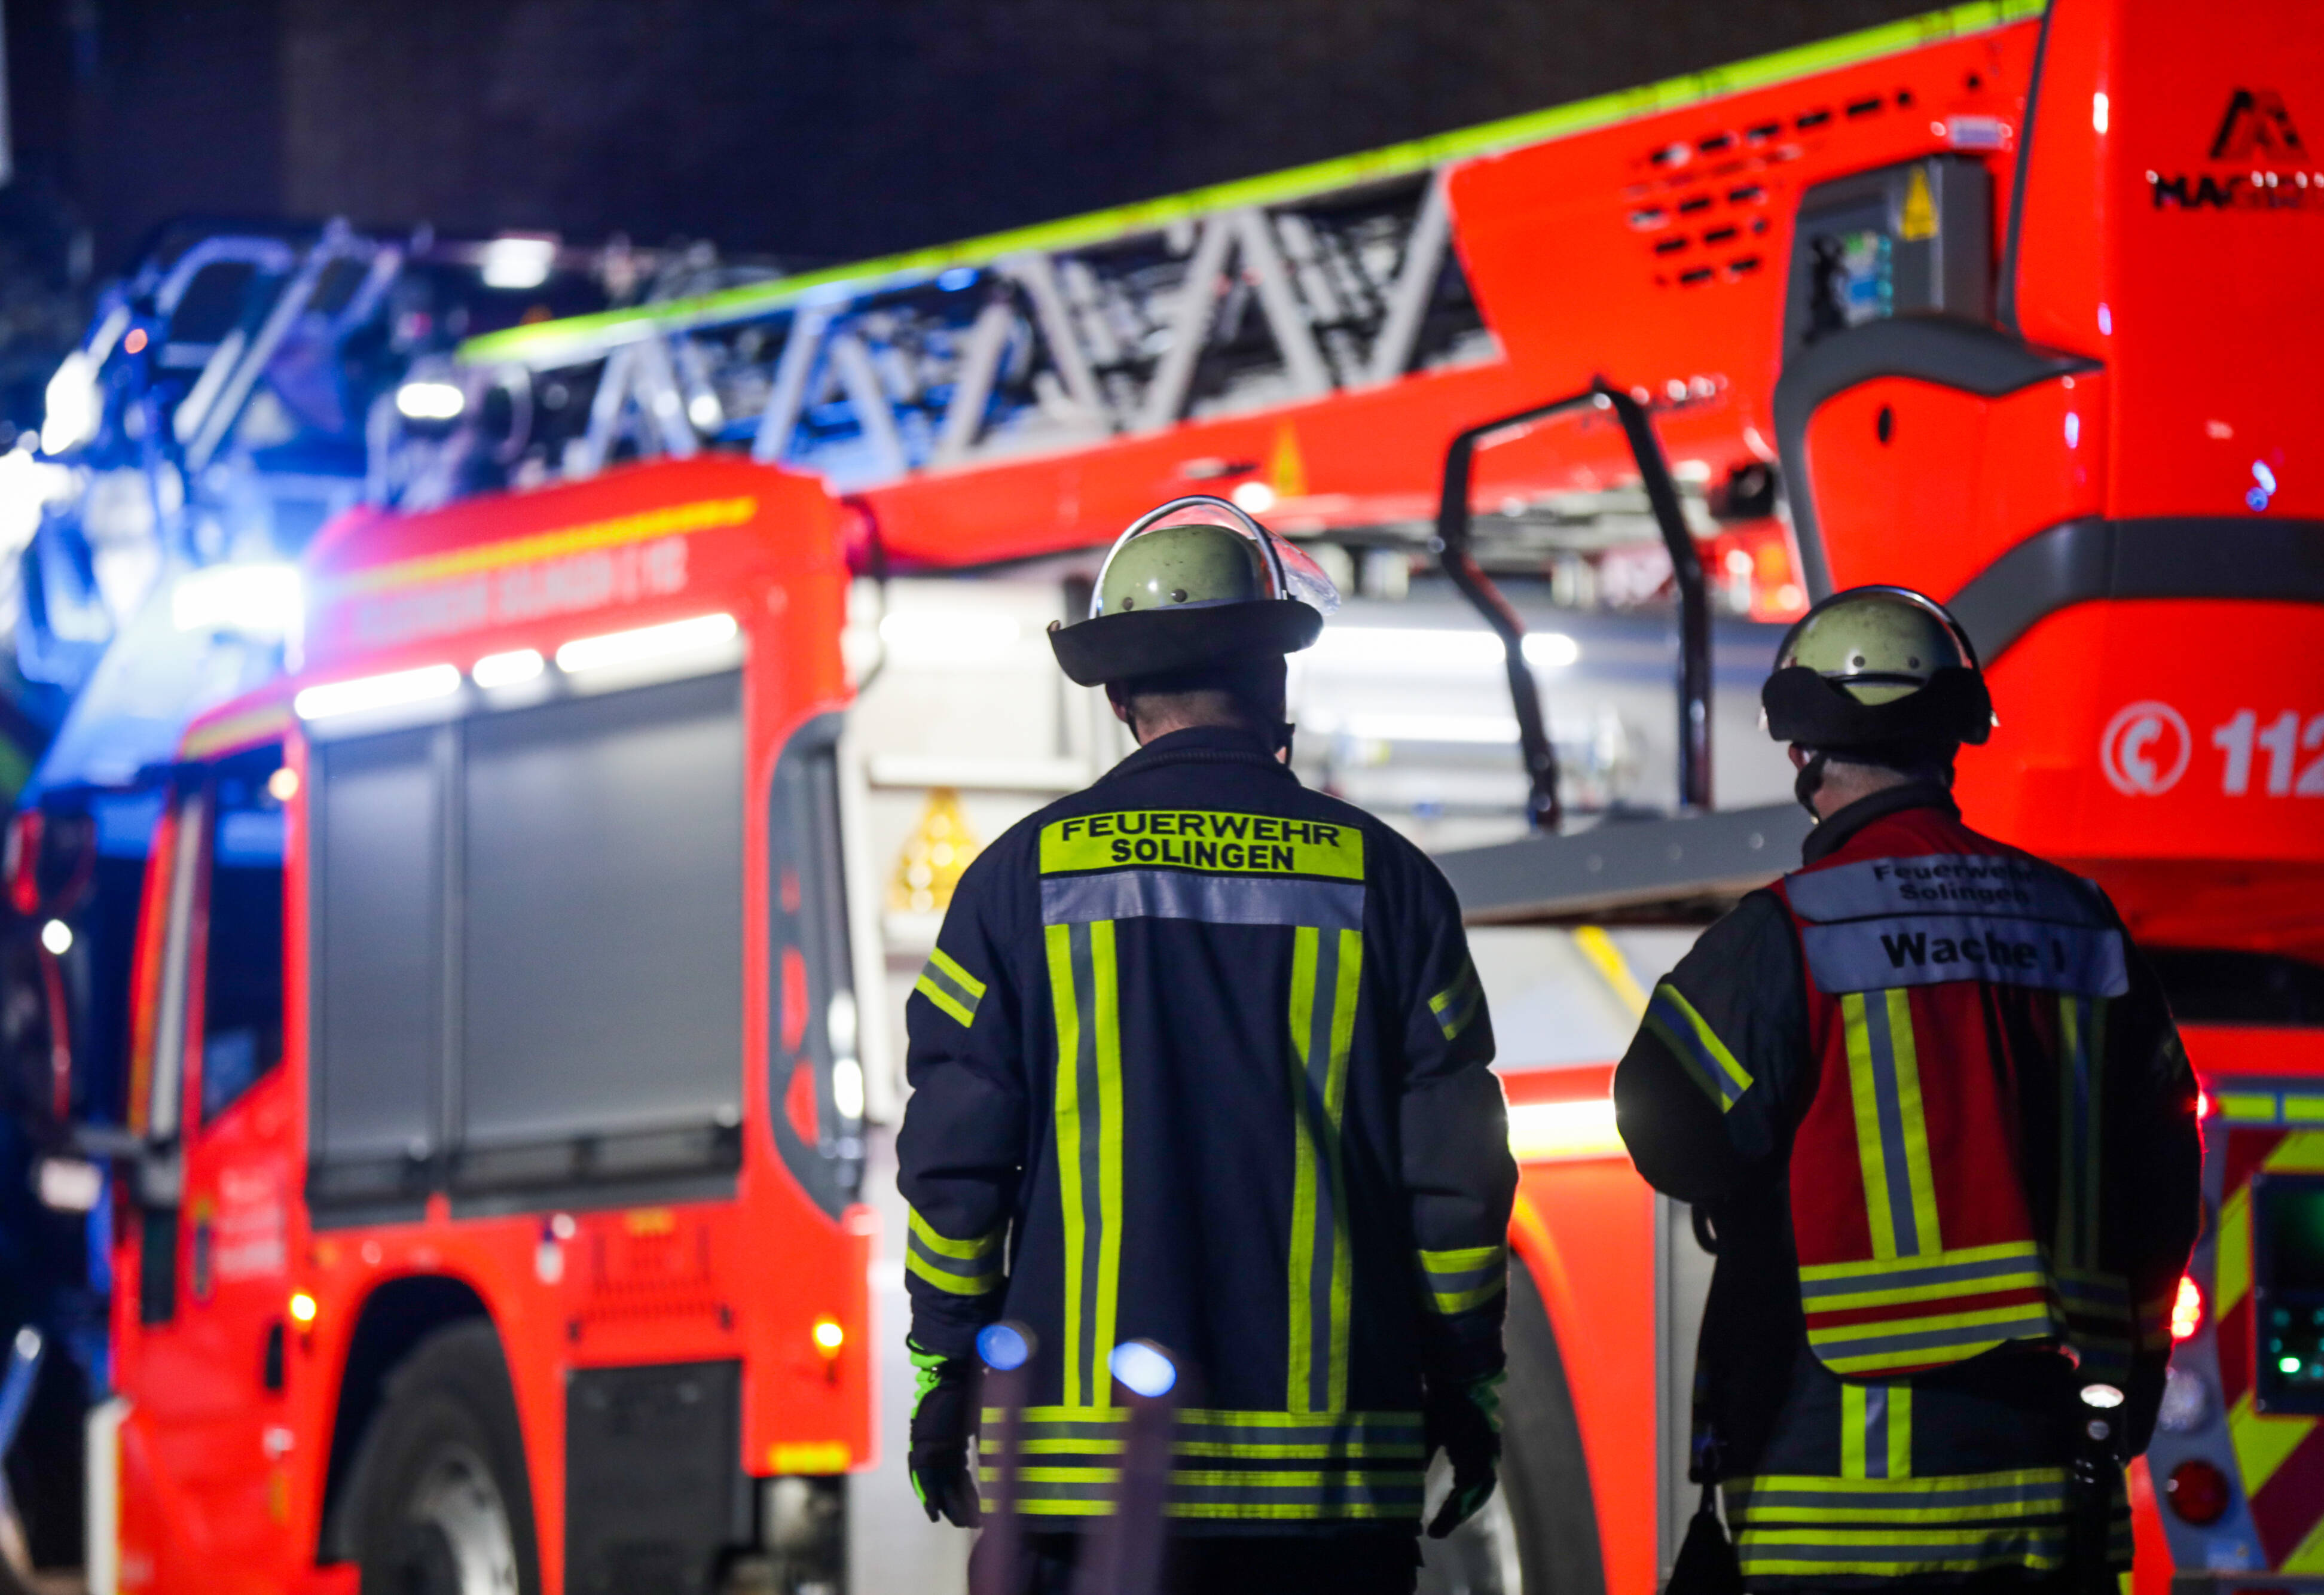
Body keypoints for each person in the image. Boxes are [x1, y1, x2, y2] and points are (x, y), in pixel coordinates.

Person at [896, 497, 1517, 1595]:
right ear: (1276, 678)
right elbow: (1457, 1181)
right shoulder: (1392, 884)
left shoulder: (1014, 883)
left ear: (1120, 694)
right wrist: (1466, 1377)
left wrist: (947, 1365)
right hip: (1333, 1485)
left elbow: (956, 1167)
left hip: (1090, 1485)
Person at [1615, 586, 2202, 1592]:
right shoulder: (2080, 923)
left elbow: (1670, 1126)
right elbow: (2164, 1165)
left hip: (1844, 1496)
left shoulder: (1791, 928)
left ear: (1803, 752)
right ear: (1956, 735)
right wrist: (2138, 1367)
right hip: (2053, 1498)